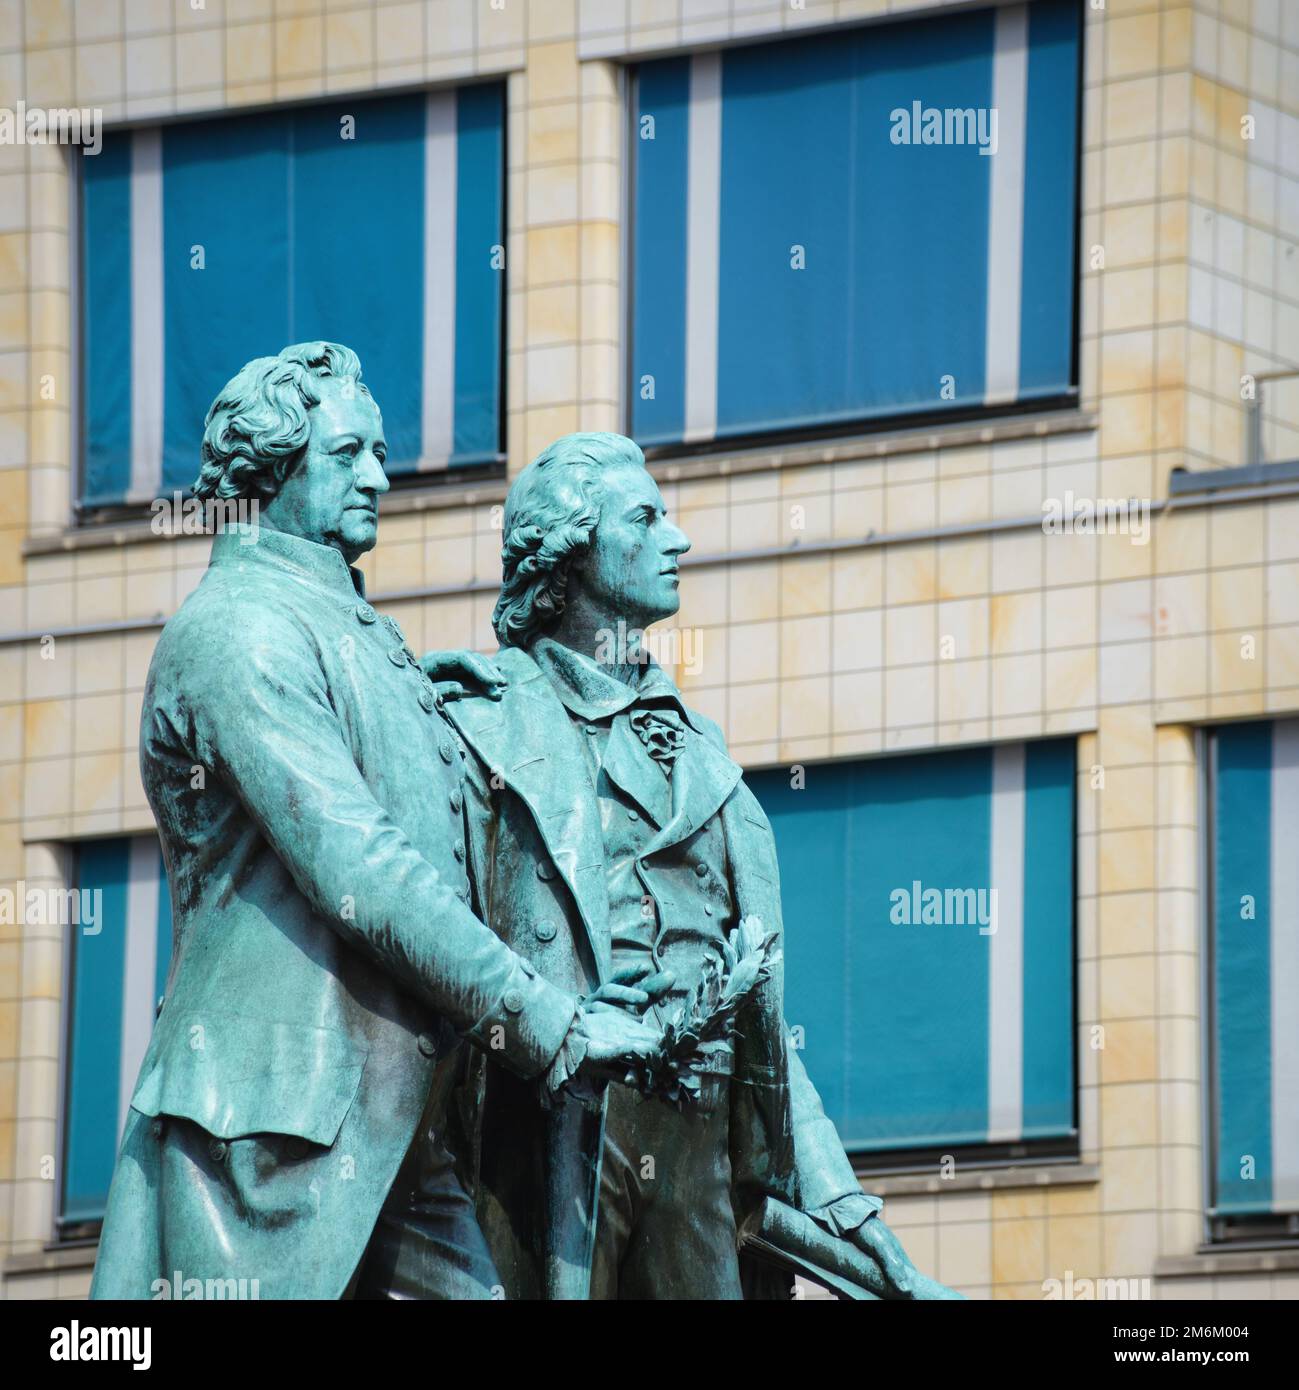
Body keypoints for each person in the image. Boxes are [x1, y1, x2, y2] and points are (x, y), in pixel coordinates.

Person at [90, 351, 662, 1300]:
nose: (379, 476)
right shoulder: (239, 629)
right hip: (270, 1129)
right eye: (349, 451)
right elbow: (360, 863)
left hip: (385, 1116)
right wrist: (546, 1023)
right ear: (270, 469)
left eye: (381, 451)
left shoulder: (342, 626)